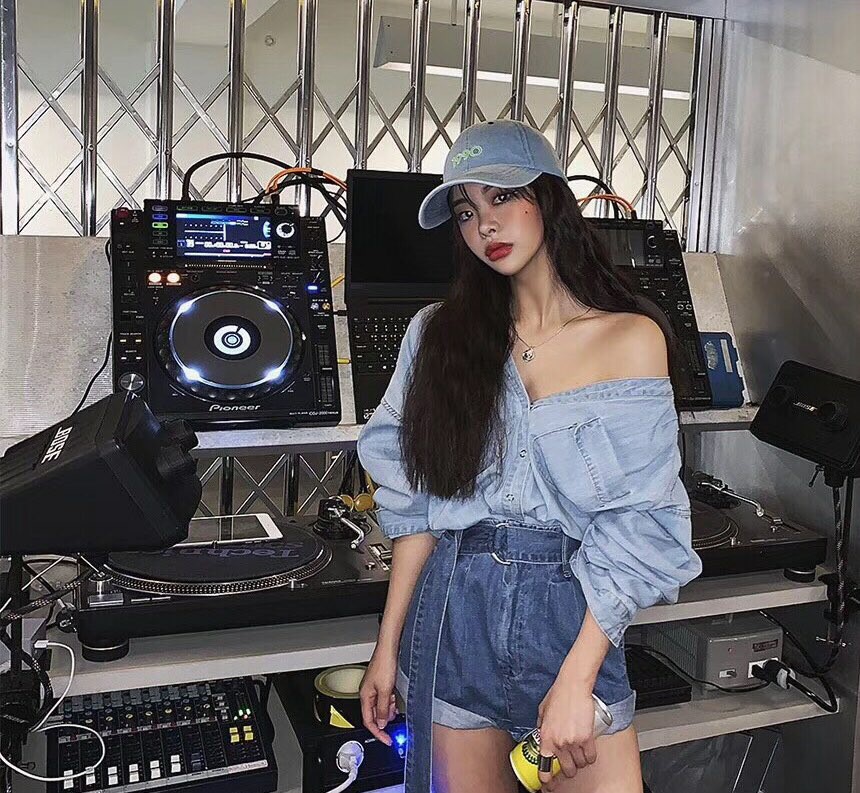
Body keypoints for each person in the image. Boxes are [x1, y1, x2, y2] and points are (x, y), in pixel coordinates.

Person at [356, 120, 702, 793]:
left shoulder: (629, 338)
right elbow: (417, 509)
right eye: (466, 212)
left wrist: (577, 678)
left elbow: (640, 522)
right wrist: (387, 646)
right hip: (453, 616)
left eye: (502, 197)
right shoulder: (437, 335)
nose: (485, 224)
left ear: (548, 200)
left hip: (571, 612)